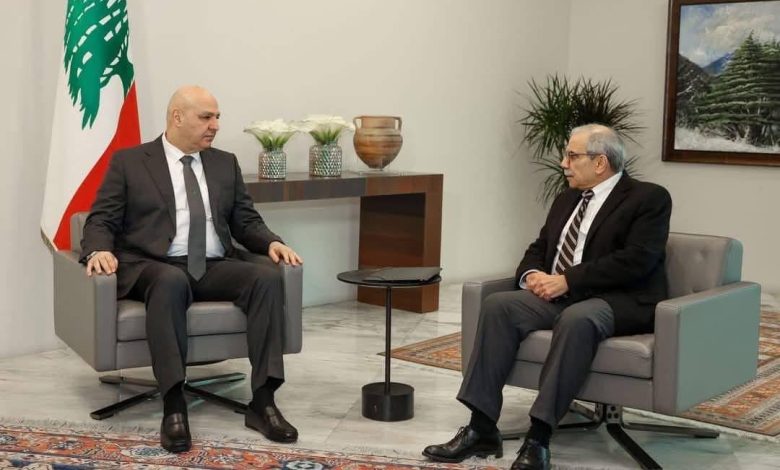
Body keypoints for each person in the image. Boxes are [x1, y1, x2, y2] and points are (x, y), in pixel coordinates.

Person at [422, 124, 672, 470]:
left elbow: (637, 260)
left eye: (572, 155)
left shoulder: (649, 198)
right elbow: (540, 247)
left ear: (600, 162)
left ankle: (538, 437)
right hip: (561, 295)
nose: (563, 163)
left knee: (577, 318)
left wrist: (567, 280)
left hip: (617, 299)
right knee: (498, 306)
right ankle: (481, 428)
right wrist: (531, 276)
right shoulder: (567, 198)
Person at [81, 85, 303, 453]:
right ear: (177, 117)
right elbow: (101, 218)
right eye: (206, 117)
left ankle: (263, 402)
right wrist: (98, 249)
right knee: (170, 281)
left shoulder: (224, 163)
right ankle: (174, 405)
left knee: (265, 277)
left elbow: (245, 220)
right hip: (154, 265)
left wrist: (271, 243)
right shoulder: (130, 162)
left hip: (212, 264)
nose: (215, 125)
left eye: (217, 117)